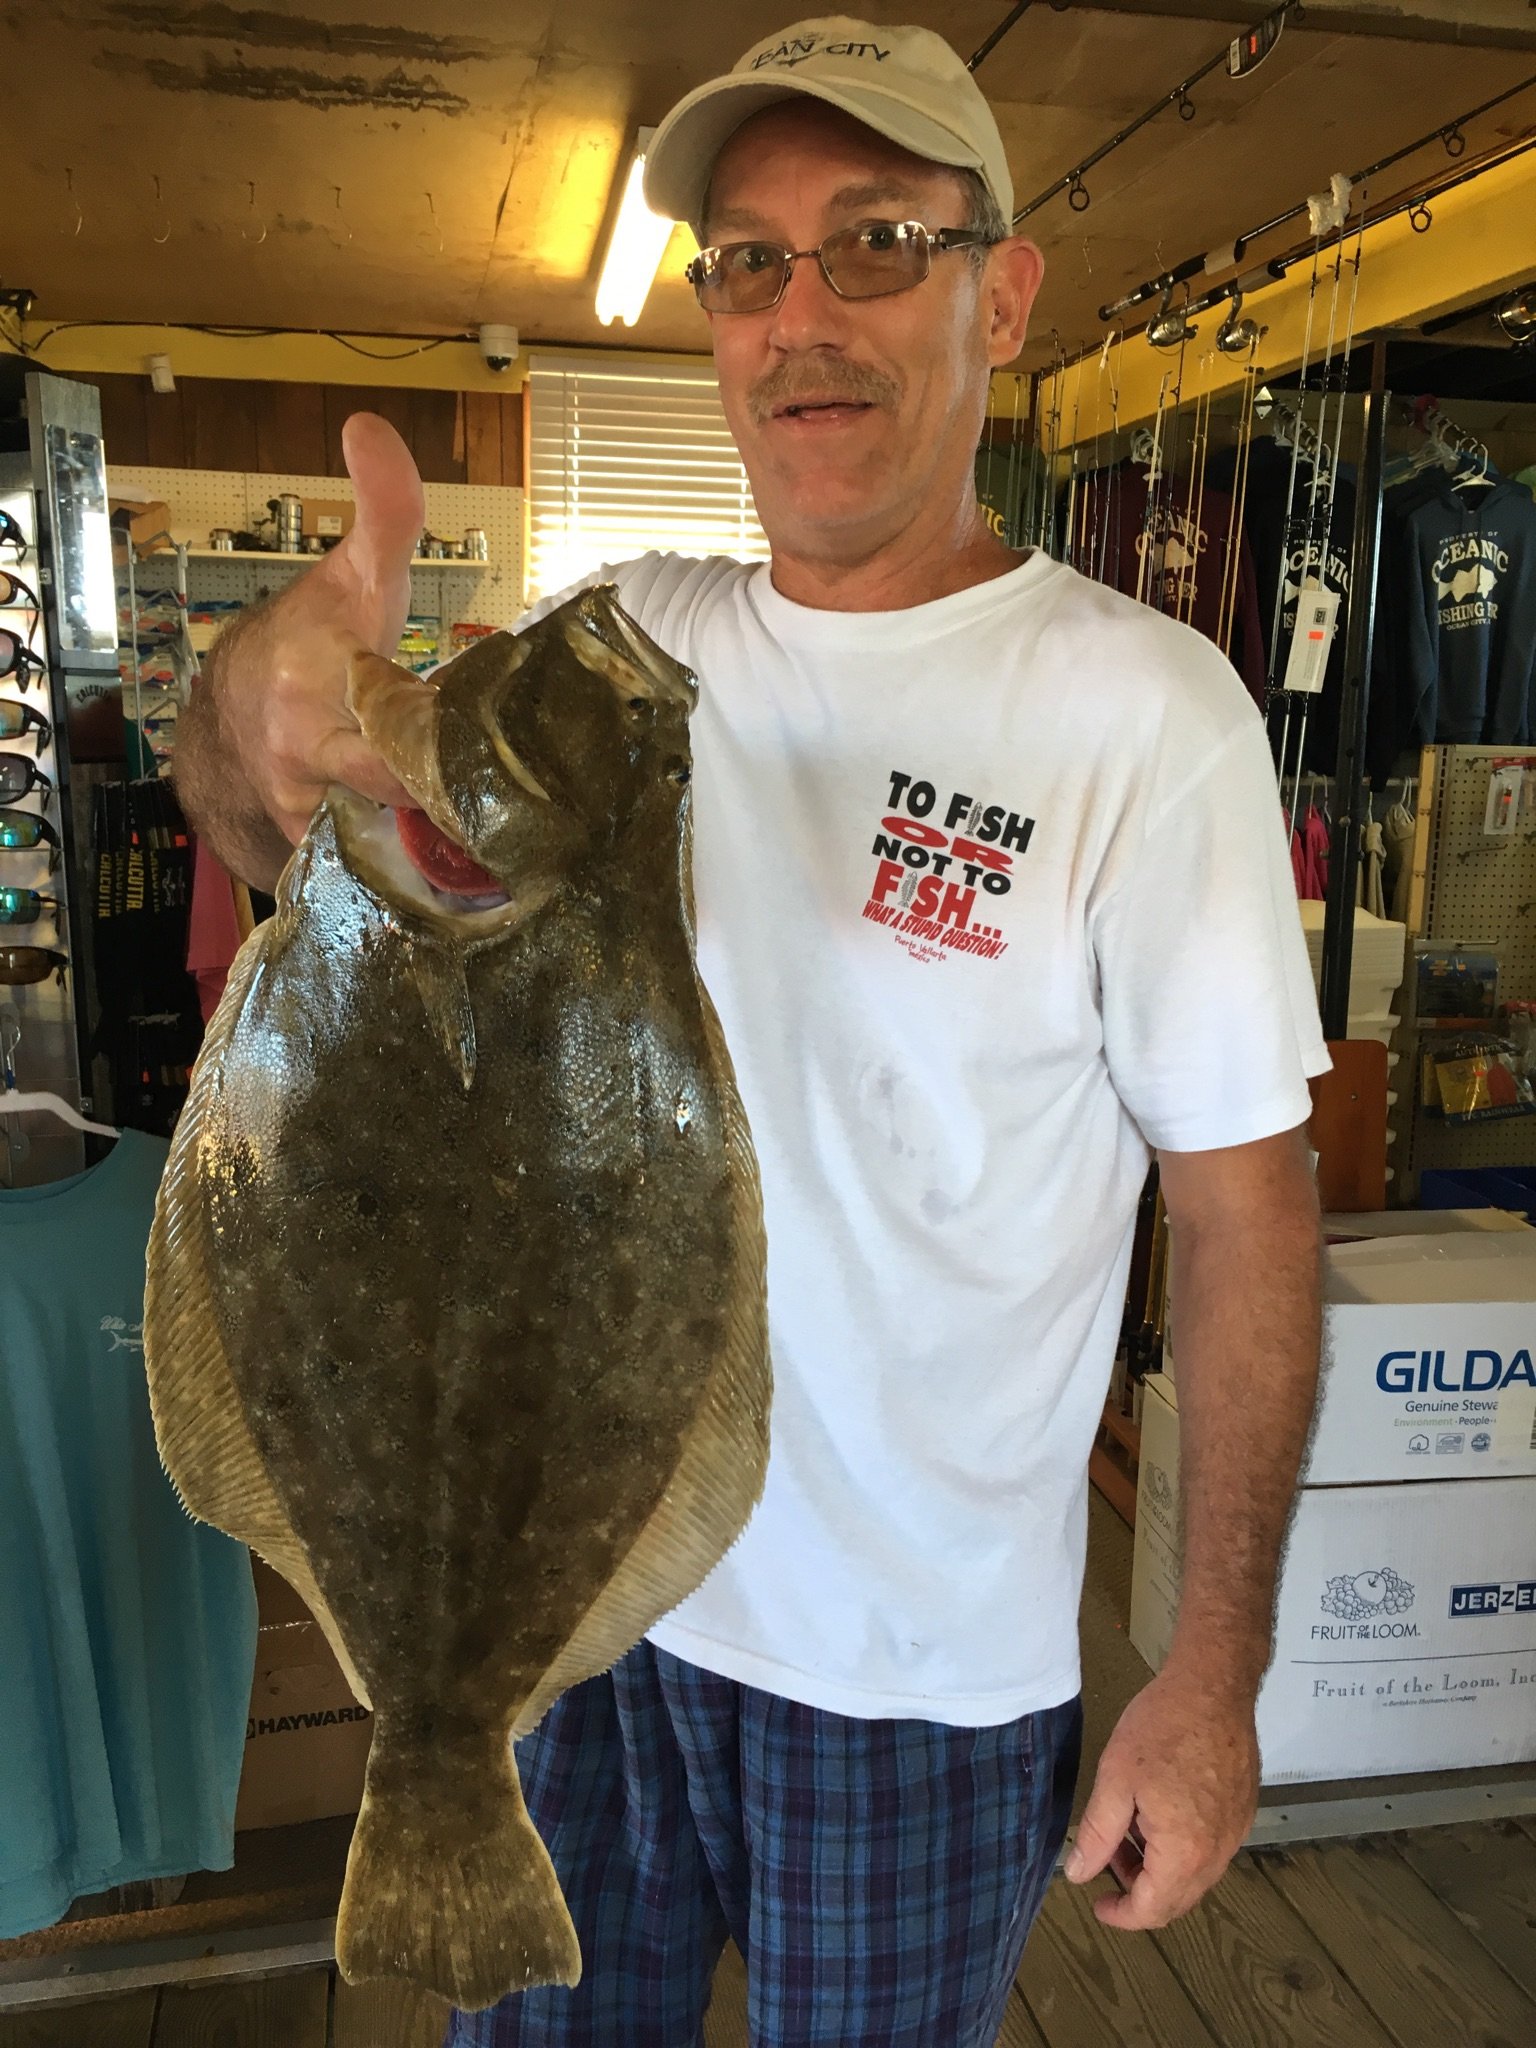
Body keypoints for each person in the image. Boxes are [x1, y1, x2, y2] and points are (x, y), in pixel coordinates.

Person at [174, 18, 1326, 2047]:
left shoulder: (1150, 718)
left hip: (917, 1679)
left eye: (877, 242)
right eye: (750, 262)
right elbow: (289, 821)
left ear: (1004, 295)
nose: (805, 317)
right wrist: (253, 704)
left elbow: (1248, 1211)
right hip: (570, 1621)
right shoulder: (625, 647)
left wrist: (1213, 1666)